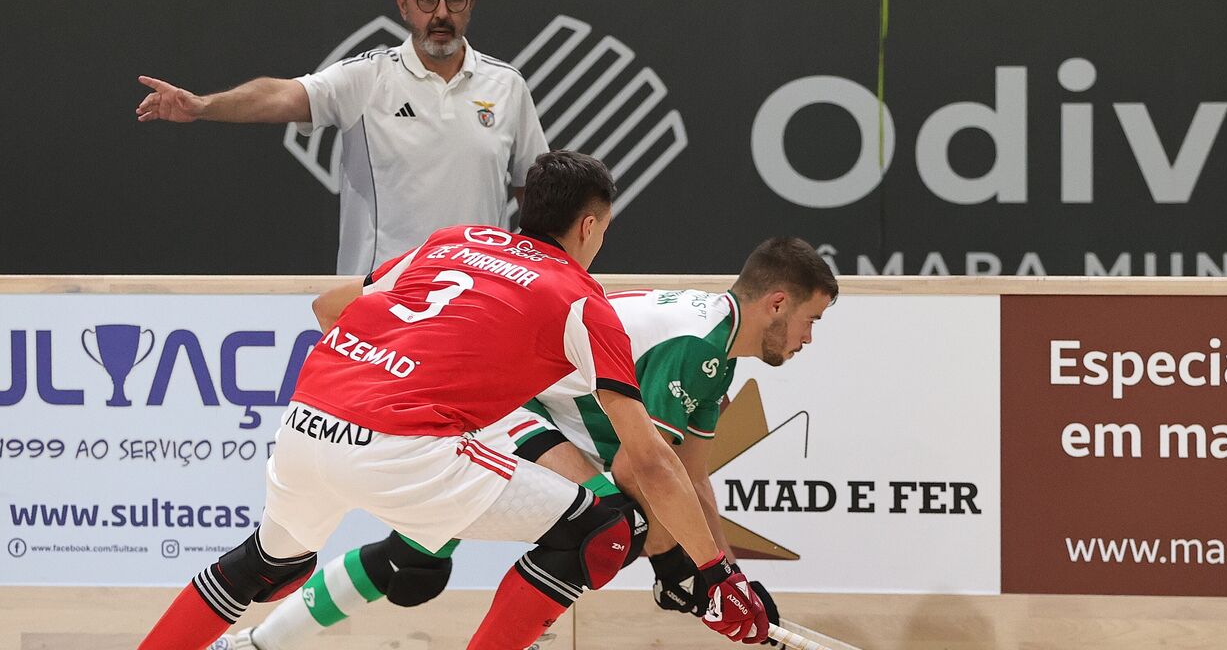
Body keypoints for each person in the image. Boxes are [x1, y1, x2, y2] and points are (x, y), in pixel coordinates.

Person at [135, 150, 769, 650]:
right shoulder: (580, 297)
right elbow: (650, 461)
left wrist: (406, 360)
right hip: (406, 448)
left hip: (309, 420)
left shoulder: (451, 240)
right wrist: (718, 574)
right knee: (604, 530)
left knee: (265, 568)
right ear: (590, 224)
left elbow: (328, 310)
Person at [208, 237, 839, 650]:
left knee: (414, 555)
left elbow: (691, 477)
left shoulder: (719, 349)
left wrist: (728, 576)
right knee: (611, 526)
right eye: (811, 321)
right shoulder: (696, 347)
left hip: (541, 413)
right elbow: (639, 468)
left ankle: (254, 645)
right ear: (778, 303)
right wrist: (692, 571)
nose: (810, 340)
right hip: (507, 402)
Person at [135, 0, 547, 275]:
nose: (440, 13)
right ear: (403, 4)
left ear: (471, 2)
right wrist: (203, 105)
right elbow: (281, 95)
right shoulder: (365, 77)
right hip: (380, 302)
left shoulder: (507, 86)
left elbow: (535, 194)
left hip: (480, 303)